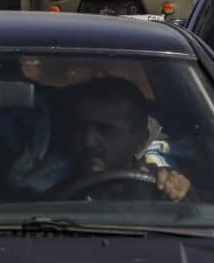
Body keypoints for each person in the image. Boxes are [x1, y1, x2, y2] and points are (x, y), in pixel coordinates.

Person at [12, 77, 192, 201]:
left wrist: (179, 192)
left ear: (139, 141)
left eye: (105, 129)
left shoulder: (159, 188)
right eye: (82, 127)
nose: (89, 141)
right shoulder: (44, 184)